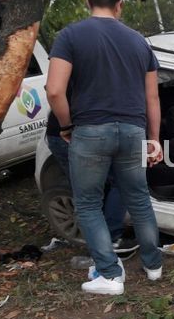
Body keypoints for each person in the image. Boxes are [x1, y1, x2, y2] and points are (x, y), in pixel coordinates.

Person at [46, 0, 164, 296]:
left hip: (90, 131)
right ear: (120, 5)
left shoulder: (70, 36)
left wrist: (66, 126)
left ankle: (110, 275)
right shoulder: (141, 42)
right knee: (139, 198)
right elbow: (152, 98)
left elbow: (55, 90)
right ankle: (154, 266)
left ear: (88, 2)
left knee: (87, 203)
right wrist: (154, 139)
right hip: (134, 131)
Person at [45, 109, 139, 260]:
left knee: (93, 190)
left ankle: (103, 243)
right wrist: (66, 127)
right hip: (78, 133)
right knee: (111, 185)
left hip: (76, 132)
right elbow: (54, 92)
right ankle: (108, 242)